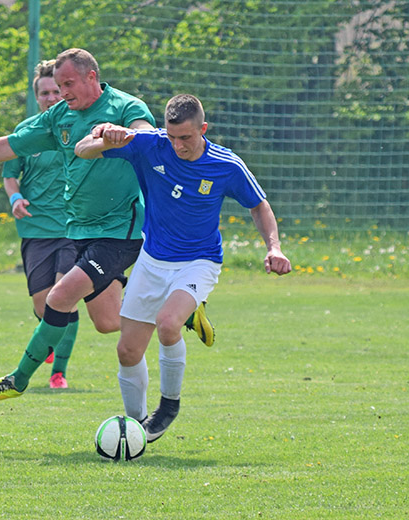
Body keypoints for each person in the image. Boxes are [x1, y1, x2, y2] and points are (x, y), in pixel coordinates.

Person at [0, 49, 213, 403]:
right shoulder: (59, 117)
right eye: (57, 85)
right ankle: (183, 309)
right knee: (106, 321)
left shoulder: (125, 106)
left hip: (120, 230)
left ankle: (18, 379)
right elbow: (11, 145)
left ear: (91, 77)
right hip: (79, 230)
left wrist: (123, 134)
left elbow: (145, 131)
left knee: (59, 298)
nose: (63, 92)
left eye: (68, 84)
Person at [74, 93, 291, 443]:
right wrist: (102, 137)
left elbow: (259, 205)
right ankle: (137, 427)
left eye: (186, 138)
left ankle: (169, 406)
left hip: (198, 262)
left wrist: (274, 247)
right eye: (172, 137)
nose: (178, 146)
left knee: (168, 324)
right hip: (152, 261)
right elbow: (81, 150)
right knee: (127, 351)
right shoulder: (148, 145)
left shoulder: (226, 164)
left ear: (203, 129)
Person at [2, 59, 78, 389]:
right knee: (42, 303)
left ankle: (58, 371)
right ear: (38, 97)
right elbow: (9, 175)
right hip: (35, 229)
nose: (51, 97)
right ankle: (48, 333)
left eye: (56, 91)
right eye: (45, 93)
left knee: (65, 295)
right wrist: (15, 199)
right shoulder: (26, 132)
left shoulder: (78, 128)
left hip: (73, 227)